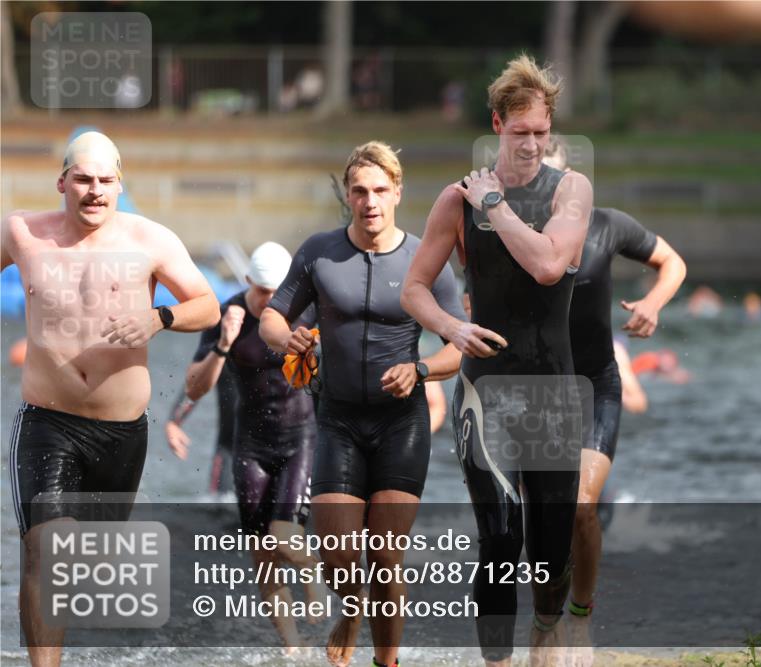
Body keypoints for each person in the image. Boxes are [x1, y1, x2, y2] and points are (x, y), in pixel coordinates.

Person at [2, 131, 219, 667]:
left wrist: (159, 317)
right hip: (46, 422)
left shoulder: (151, 240)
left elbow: (208, 305)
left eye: (105, 180)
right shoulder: (22, 232)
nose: (95, 190)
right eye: (83, 179)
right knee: (45, 552)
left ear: (120, 185)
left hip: (121, 433)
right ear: (62, 182)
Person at [402, 54, 592, 666]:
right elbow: (414, 288)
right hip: (487, 397)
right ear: (496, 124)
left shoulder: (571, 190)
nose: (532, 144)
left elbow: (548, 265)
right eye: (520, 132)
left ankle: (546, 631)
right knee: (501, 541)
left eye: (542, 132)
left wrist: (496, 206)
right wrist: (450, 327)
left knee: (551, 553)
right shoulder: (456, 200)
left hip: (555, 396)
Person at [259, 141, 465, 667]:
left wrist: (420, 369)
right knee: (338, 556)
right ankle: (352, 607)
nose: (369, 201)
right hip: (338, 420)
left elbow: (458, 346)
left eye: (379, 190)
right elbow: (272, 317)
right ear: (348, 196)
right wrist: (288, 339)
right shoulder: (319, 252)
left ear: (397, 192)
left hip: (402, 422)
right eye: (359, 191)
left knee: (386, 557)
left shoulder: (425, 259)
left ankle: (385, 662)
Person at [541, 139, 687, 663]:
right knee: (540, 522)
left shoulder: (606, 225)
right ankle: (545, 620)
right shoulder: (510, 234)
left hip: (596, 385)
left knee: (582, 506)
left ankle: (580, 617)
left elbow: (672, 262)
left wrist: (652, 302)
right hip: (536, 392)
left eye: (554, 178)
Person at [168, 241, 324, 653]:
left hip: (300, 439)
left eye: (278, 292)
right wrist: (224, 342)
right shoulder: (228, 313)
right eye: (263, 291)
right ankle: (292, 647)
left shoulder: (307, 310)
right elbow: (194, 386)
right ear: (248, 280)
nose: (271, 301)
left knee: (285, 536)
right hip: (250, 446)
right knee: (263, 556)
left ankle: (312, 573)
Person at [165, 364, 239, 495]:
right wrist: (174, 421)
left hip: (273, 451)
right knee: (220, 504)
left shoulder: (277, 354)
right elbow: (199, 379)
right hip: (228, 452)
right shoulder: (222, 351)